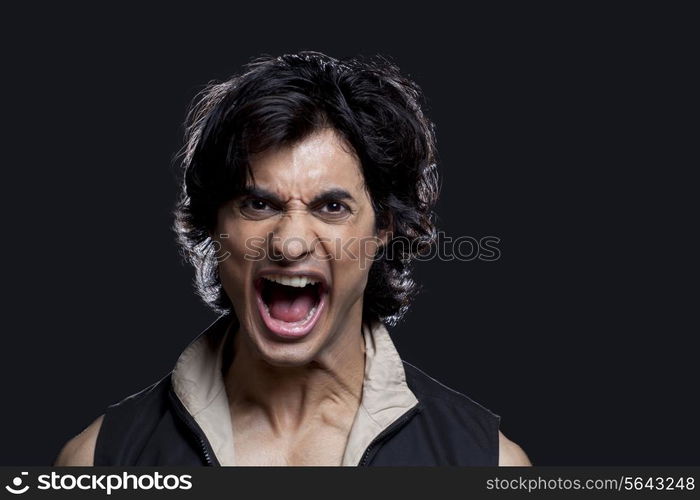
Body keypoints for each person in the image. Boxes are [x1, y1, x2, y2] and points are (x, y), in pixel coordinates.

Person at [54, 51, 531, 466]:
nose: (290, 244)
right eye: (259, 204)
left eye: (332, 207)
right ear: (215, 224)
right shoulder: (99, 461)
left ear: (383, 228)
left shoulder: (484, 463)